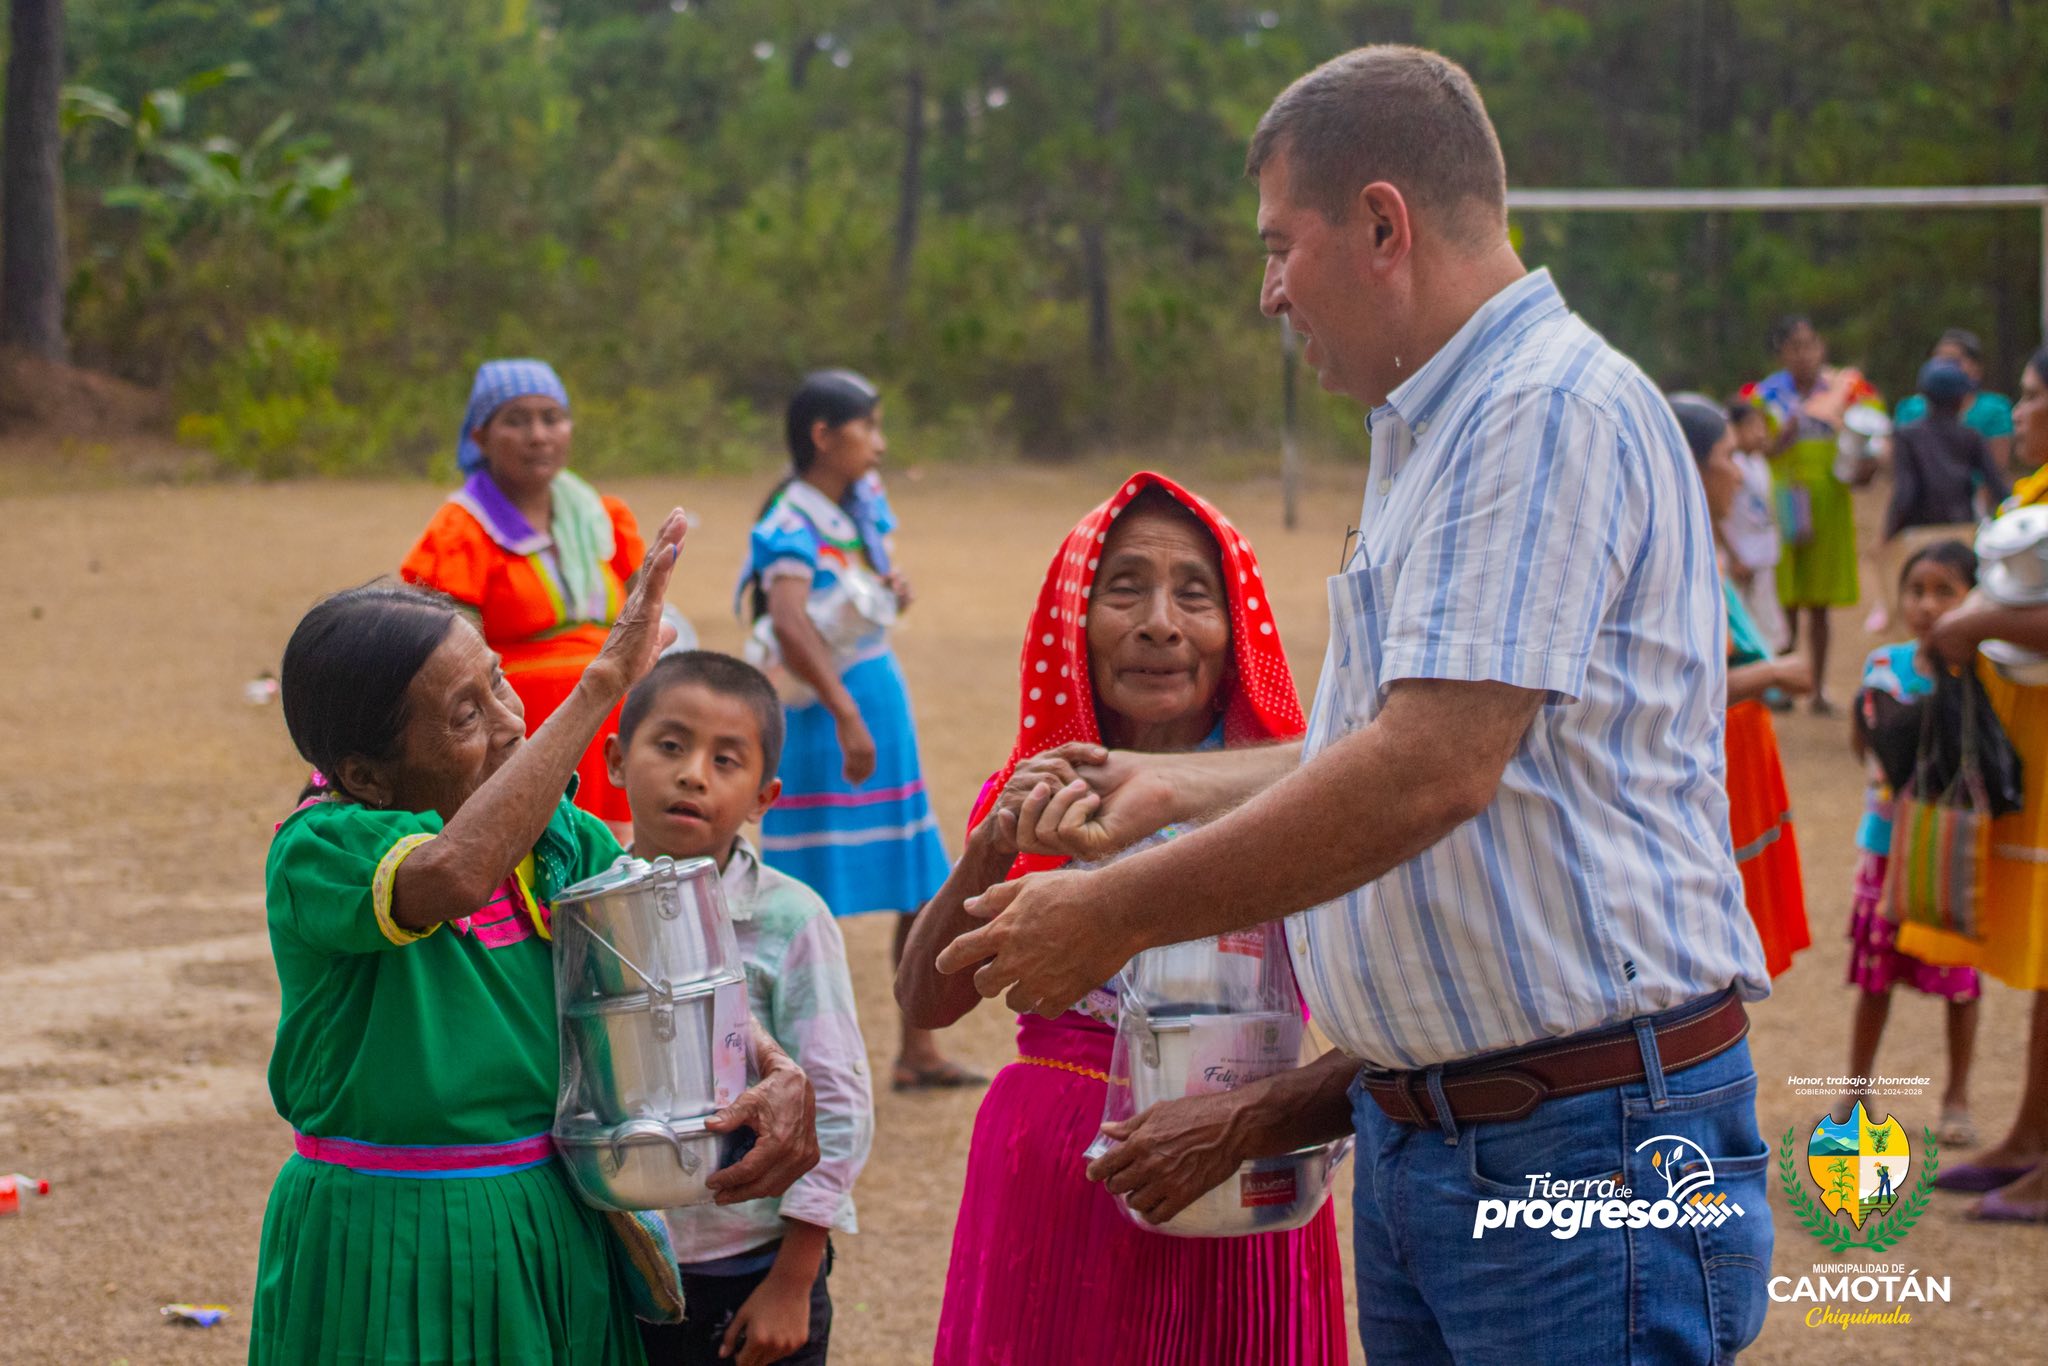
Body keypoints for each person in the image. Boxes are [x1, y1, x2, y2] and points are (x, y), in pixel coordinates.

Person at [936, 47, 1775, 1363]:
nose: (1268, 290)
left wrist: (1113, 908)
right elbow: (1377, 743)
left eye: (1281, 245)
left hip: (1578, 1146)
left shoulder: (1536, 412)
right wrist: (1173, 787)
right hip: (1437, 1128)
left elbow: (1430, 769)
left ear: (1382, 225)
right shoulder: (1433, 432)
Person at [253, 515, 825, 1364]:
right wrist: (601, 686)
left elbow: (672, 975)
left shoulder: (562, 838)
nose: (511, 724)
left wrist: (772, 1068)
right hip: (391, 1236)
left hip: (550, 1227)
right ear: (367, 776)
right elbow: (454, 875)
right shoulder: (323, 850)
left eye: (500, 684)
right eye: (465, 716)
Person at [898, 472, 1349, 1364]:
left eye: (1195, 595)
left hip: (1245, 1159)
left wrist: (1255, 1121)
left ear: (1238, 631)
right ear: (1074, 621)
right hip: (1062, 1170)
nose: (1159, 624)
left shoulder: (1302, 802)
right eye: (1124, 589)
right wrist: (990, 848)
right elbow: (926, 1002)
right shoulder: (1039, 794)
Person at [608, 651, 873, 1366]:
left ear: (764, 796)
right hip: (614, 1265)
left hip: (751, 1268)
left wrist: (794, 1278)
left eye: (726, 761)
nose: (694, 774)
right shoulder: (587, 908)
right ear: (616, 760)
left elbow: (835, 1103)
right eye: (670, 746)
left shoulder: (792, 920)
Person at [737, 369, 970, 1092]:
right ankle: (789, 1064)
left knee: (923, 881)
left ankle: (917, 1050)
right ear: (823, 436)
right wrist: (844, 714)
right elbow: (789, 624)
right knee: (801, 897)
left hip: (875, 699)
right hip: (824, 717)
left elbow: (848, 596)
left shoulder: (859, 506)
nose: (880, 443)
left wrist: (889, 591)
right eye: (868, 427)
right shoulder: (789, 522)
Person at [1912, 346, 2048, 1224]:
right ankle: (2031, 1136)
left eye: (2032, 398)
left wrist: (1983, 619)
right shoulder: (2033, 493)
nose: (2018, 412)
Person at [401, 359, 647, 835]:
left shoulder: (604, 517)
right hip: (525, 730)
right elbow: (453, 659)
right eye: (516, 421)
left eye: (552, 418)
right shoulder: (461, 529)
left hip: (617, 720)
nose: (538, 436)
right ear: (480, 437)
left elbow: (645, 613)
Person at [1842, 542, 1983, 1145]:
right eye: (1916, 591)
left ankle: (1957, 1096)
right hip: (1886, 847)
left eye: (1944, 592)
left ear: (1974, 600)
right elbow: (1874, 744)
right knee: (1875, 975)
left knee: (1962, 978)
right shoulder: (1885, 665)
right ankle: (1856, 1087)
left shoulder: (1985, 673)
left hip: (1952, 851)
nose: (1926, 605)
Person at [1671, 394, 1811, 977]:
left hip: (1740, 767)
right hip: (1716, 768)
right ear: (1690, 466)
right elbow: (1684, 686)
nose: (1738, 471)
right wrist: (1774, 673)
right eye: (1727, 457)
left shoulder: (1699, 544)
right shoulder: (1674, 560)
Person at [1749, 316, 1885, 712]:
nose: (1804, 354)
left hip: (1829, 501)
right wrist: (1783, 436)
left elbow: (1869, 441)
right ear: (1781, 353)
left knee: (1820, 602)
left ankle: (1818, 687)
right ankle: (1782, 682)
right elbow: (1757, 447)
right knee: (1786, 598)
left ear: (1821, 347)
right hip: (1785, 502)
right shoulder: (1767, 397)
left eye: (1809, 344)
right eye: (1794, 346)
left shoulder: (1846, 391)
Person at [1894, 327, 2016, 472]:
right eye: (1937, 360)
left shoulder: (1994, 409)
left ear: (1976, 368)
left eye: (1952, 360)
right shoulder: (1909, 408)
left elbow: (1997, 467)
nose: (1942, 367)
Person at [1722, 397, 1789, 655]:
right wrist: (1734, 556)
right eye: (1752, 426)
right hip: (1743, 557)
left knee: (1767, 623)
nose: (1760, 433)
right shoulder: (1733, 466)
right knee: (1747, 626)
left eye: (1762, 426)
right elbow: (1721, 517)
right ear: (1734, 430)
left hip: (1763, 555)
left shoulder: (1759, 462)